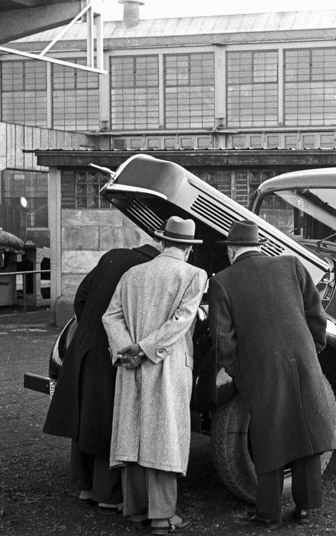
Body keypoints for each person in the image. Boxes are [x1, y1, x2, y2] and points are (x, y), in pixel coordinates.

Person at [207, 220, 336, 529]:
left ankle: (268, 513)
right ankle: (305, 509)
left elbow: (222, 339)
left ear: (232, 250)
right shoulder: (292, 264)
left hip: (260, 368)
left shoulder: (222, 281)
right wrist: (312, 350)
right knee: (304, 430)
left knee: (269, 436)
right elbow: (317, 315)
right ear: (259, 245)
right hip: (303, 358)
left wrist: (241, 373)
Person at [102, 216, 207, 535]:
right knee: (164, 437)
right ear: (188, 248)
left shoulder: (133, 273)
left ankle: (135, 510)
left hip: (130, 365)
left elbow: (111, 316)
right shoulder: (194, 274)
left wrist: (126, 350)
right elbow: (181, 321)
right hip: (167, 365)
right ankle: (162, 517)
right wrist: (146, 349)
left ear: (162, 242)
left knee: (133, 433)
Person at [43, 236, 162, 513]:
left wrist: (89, 330)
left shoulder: (114, 255)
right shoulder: (149, 268)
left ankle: (85, 487)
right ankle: (107, 494)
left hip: (84, 345)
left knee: (85, 417)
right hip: (112, 351)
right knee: (108, 421)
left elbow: (81, 296)